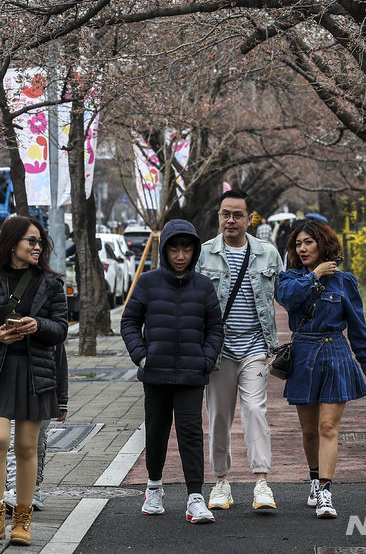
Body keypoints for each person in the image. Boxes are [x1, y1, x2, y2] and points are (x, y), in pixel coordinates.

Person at [0, 214, 68, 546]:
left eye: (40, 242)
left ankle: (22, 520)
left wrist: (39, 325)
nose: (38, 247)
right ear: (12, 243)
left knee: (25, 447)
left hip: (35, 373)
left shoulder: (51, 283)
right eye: (31, 241)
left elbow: (61, 328)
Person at [121, 219, 224, 523]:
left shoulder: (204, 285)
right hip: (156, 372)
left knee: (191, 432)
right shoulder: (148, 282)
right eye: (175, 249)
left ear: (194, 251)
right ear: (165, 250)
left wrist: (206, 358)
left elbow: (215, 328)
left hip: (192, 373)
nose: (181, 256)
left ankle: (195, 497)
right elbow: (128, 321)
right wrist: (142, 356)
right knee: (156, 430)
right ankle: (154, 488)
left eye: (187, 249)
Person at [277, 219, 366, 519]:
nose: (303, 248)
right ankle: (313, 479)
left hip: (335, 353)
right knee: (309, 430)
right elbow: (287, 299)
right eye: (298, 243)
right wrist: (315, 276)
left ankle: (325, 491)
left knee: (327, 428)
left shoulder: (345, 282)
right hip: (303, 354)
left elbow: (358, 327)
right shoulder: (290, 279)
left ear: (323, 243)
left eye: (309, 242)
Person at [197, 188, 281, 512]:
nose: (230, 220)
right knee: (219, 416)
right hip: (218, 350)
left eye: (237, 215)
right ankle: (221, 481)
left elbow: (284, 292)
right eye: (225, 214)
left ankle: (261, 482)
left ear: (249, 219)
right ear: (219, 216)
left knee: (255, 411)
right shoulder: (204, 255)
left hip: (256, 347)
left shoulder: (268, 254)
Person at [4, 342, 68, 513]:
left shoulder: (51, 328)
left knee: (36, 445)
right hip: (10, 393)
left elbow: (60, 364)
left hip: (42, 393)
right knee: (12, 442)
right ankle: (14, 488)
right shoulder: (4, 326)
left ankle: (34, 488)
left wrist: (62, 401)